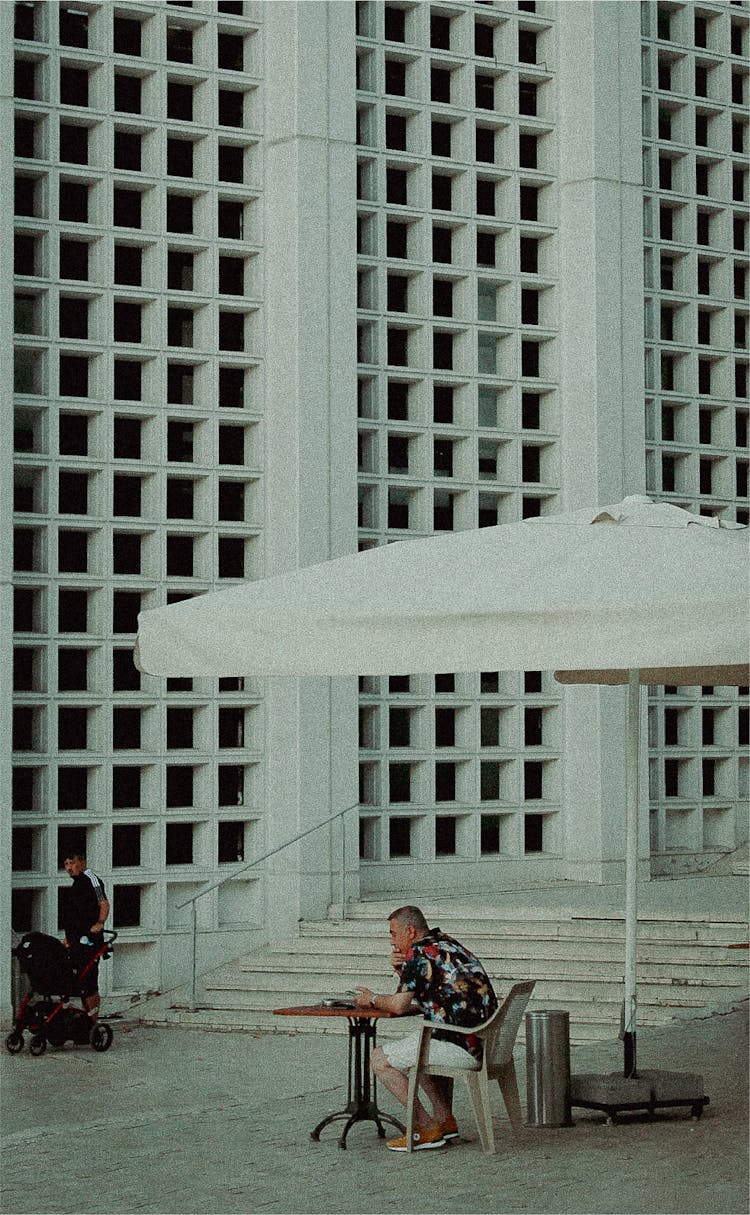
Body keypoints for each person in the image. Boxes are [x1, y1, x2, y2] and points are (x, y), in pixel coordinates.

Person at [354, 905, 498, 1152]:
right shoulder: (447, 944)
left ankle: (425, 1127)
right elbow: (432, 997)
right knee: (418, 1046)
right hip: (484, 1042)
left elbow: (399, 1006)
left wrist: (373, 998)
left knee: (380, 1059)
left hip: (462, 1046)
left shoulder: (419, 954)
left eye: (392, 933)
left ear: (410, 931)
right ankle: (445, 1120)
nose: (391, 942)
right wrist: (402, 971)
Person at [62, 850, 110, 1022]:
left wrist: (100, 923)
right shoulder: (75, 885)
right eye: (66, 864)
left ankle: (93, 1022)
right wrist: (68, 938)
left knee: (89, 981)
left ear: (82, 862)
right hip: (76, 941)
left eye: (72, 863)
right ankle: (84, 1020)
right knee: (78, 981)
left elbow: (103, 903)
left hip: (90, 942)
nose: (69, 868)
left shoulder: (92, 879)